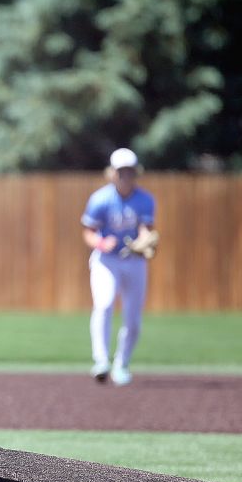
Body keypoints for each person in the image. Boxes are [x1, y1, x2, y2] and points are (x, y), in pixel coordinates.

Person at [81, 148, 157, 386]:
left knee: (133, 318)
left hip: (133, 261)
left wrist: (145, 241)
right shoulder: (100, 199)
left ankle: (121, 363)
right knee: (103, 305)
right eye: (121, 171)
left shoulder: (145, 199)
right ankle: (101, 361)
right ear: (112, 173)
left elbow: (146, 229)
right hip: (107, 261)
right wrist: (102, 243)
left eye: (129, 171)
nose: (125, 175)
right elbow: (89, 232)